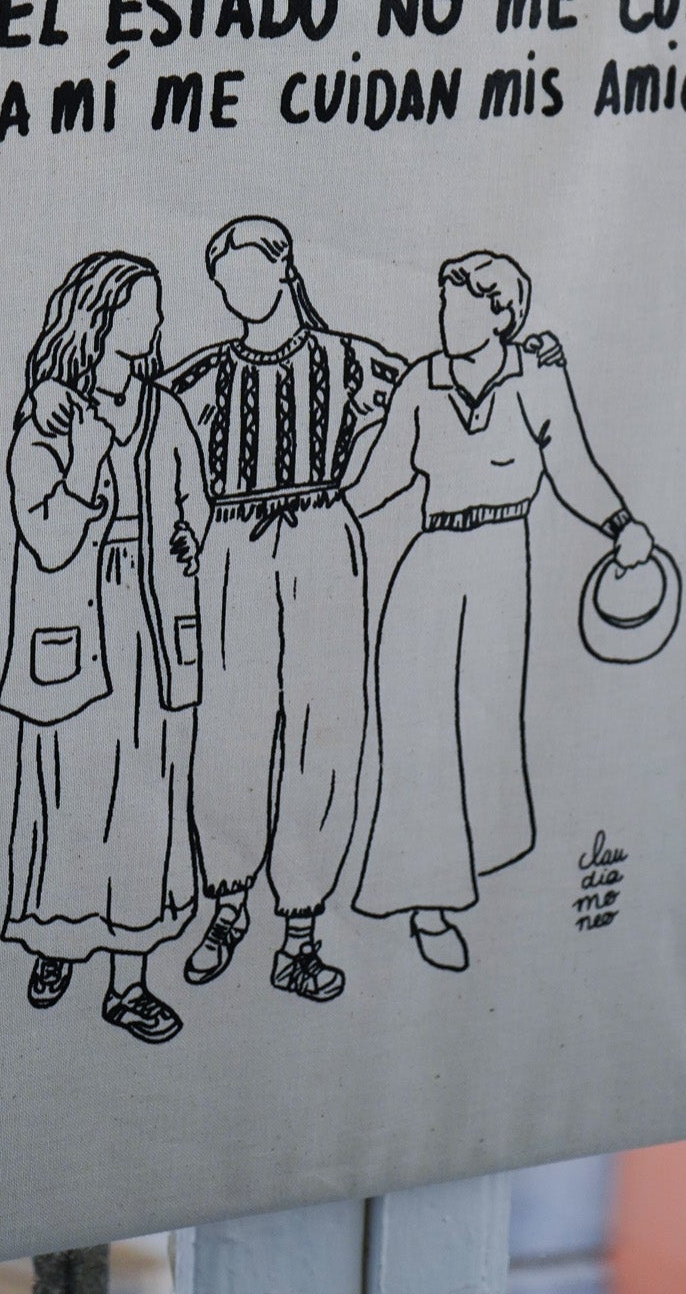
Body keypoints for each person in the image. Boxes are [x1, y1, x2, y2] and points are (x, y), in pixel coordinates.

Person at [348, 250, 654, 973]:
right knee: (416, 726)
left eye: (461, 305)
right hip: (428, 565)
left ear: (500, 315)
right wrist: (321, 521)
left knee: (479, 726)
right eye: (443, 303)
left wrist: (620, 525)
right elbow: (379, 479)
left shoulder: (536, 380)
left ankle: (470, 868)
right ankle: (426, 902)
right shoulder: (421, 382)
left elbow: (572, 468)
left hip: (500, 565)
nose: (446, 317)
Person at [166, 216, 405, 1004]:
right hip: (231, 546)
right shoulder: (204, 375)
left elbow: (429, 389)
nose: (236, 290)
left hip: (322, 539)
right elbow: (136, 415)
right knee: (228, 726)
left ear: (283, 269)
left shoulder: (348, 360)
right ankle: (227, 905)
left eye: (248, 272)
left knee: (324, 727)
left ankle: (299, 932)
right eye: (223, 280)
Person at [0, 251, 210, 1044]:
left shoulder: (164, 410)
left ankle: (129, 982)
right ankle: (56, 941)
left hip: (151, 627)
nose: (155, 323)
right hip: (78, 629)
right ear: (102, 318)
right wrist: (86, 459)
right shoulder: (49, 418)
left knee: (149, 797)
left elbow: (193, 500)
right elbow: (49, 539)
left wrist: (185, 536)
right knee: (70, 793)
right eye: (142, 309)